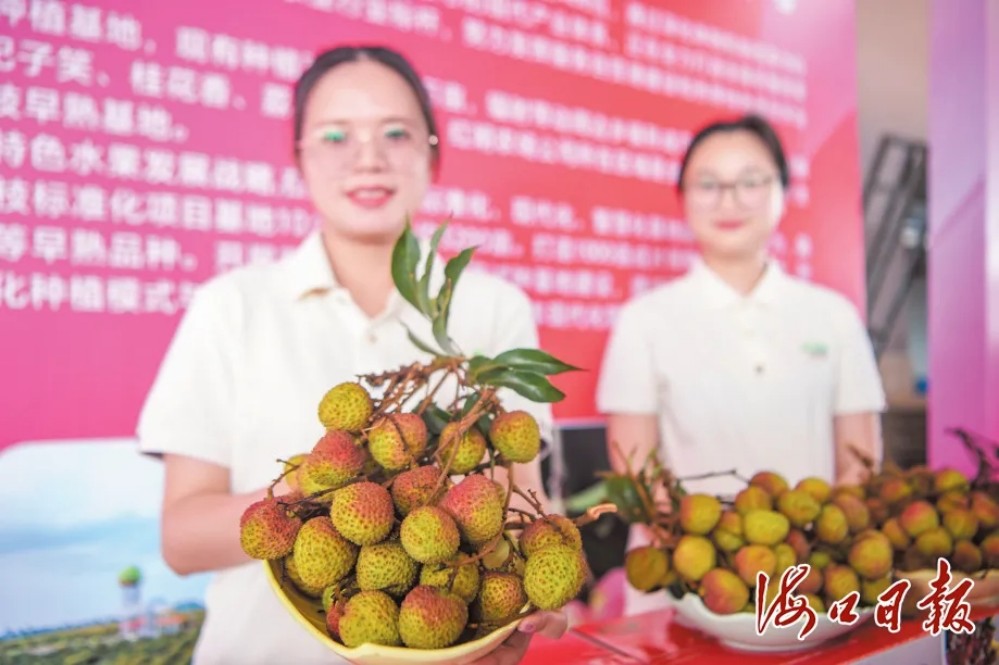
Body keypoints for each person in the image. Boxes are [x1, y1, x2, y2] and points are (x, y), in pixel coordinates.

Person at [137, 45, 567, 664]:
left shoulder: (495, 307)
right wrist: (311, 486)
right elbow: (181, 540)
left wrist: (532, 585)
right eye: (336, 136)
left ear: (433, 153)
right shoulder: (231, 306)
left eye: (396, 133)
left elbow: (522, 496)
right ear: (300, 157)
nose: (368, 158)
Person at [596, 114, 886, 614]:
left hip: (807, 586)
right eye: (709, 184)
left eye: (750, 181)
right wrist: (714, 567)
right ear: (683, 196)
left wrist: (811, 556)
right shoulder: (643, 320)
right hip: (683, 590)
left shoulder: (834, 315)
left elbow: (860, 464)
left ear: (782, 191)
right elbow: (635, 472)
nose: (729, 200)